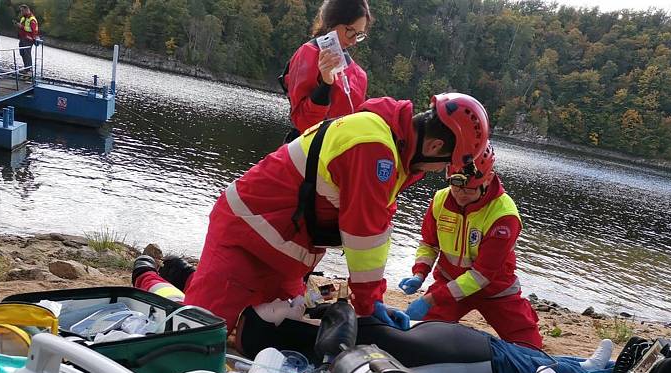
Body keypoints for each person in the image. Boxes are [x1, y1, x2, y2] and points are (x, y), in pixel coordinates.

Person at [132, 92, 490, 347]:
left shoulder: (393, 153)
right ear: (435, 147)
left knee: (263, 327)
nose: (439, 172)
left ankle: (184, 275)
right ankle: (147, 276)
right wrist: (370, 307)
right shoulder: (374, 149)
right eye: (444, 164)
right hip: (247, 237)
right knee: (198, 333)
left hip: (285, 255)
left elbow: (378, 231)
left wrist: (375, 298)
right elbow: (363, 237)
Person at [398, 141, 544, 349]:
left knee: (531, 349)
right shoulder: (440, 200)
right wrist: (419, 273)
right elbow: (429, 244)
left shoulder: (504, 215)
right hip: (450, 283)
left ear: (489, 179)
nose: (460, 194)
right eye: (456, 187)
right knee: (417, 336)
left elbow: (481, 276)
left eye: (469, 189)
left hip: (496, 291)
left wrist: (430, 299)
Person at [279, 0, 371, 142]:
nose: (353, 41)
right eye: (350, 31)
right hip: (308, 150)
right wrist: (326, 85)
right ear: (333, 20)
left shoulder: (358, 75)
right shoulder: (309, 54)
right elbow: (303, 122)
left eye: (359, 34)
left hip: (338, 153)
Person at [16, 4, 38, 73]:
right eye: (21, 11)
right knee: (22, 53)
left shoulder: (32, 19)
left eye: (22, 11)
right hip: (22, 38)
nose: (21, 12)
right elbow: (22, 27)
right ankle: (26, 68)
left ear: (27, 10)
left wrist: (21, 27)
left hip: (29, 39)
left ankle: (29, 70)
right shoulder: (23, 18)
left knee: (27, 54)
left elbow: (32, 30)